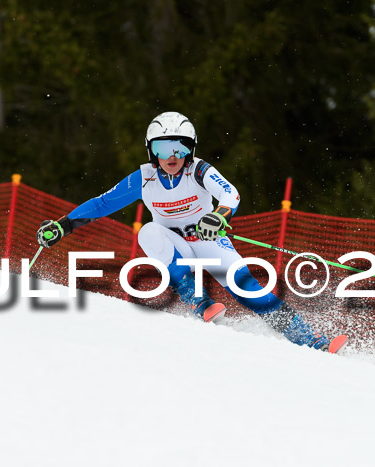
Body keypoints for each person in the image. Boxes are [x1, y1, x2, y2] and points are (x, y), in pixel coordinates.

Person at [36, 111, 332, 351]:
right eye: (163, 148)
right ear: (151, 151)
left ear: (191, 149)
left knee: (248, 289)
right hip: (175, 247)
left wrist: (219, 215)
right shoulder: (145, 177)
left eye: (180, 147)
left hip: (209, 243)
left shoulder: (199, 170)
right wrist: (64, 225)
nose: (172, 155)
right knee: (147, 232)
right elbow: (102, 204)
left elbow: (231, 194)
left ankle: (308, 339)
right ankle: (198, 299)